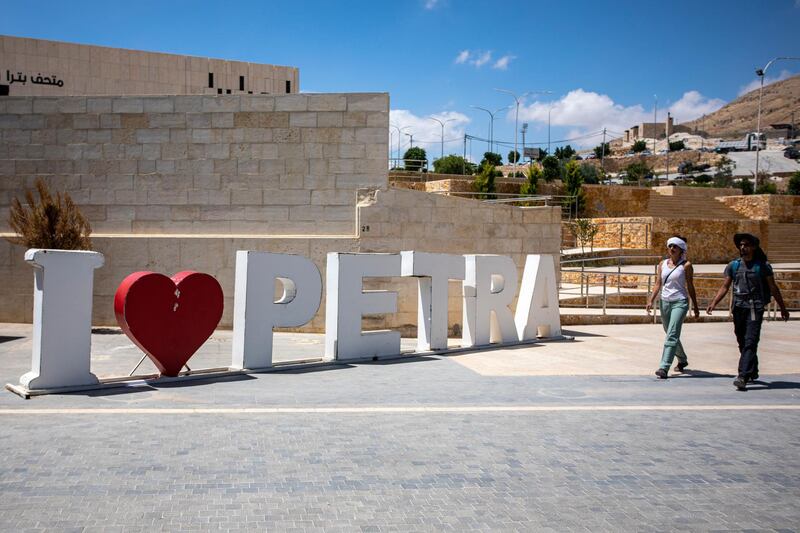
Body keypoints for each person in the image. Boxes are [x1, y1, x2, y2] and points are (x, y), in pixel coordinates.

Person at [706, 233, 789, 391]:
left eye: (746, 245)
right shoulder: (734, 265)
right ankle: (752, 369)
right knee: (742, 340)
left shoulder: (762, 266)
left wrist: (783, 308)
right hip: (738, 307)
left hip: (754, 308)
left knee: (751, 341)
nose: (743, 248)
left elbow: (773, 288)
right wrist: (714, 303)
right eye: (741, 245)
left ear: (754, 247)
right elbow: (725, 286)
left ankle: (743, 375)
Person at [646, 236, 700, 379]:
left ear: (681, 250)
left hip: (679, 302)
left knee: (672, 334)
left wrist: (695, 305)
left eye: (675, 246)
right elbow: (658, 282)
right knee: (669, 332)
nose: (672, 249)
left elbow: (690, 285)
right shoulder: (662, 264)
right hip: (665, 302)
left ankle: (664, 367)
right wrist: (651, 299)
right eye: (670, 246)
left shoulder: (686, 265)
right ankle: (682, 359)